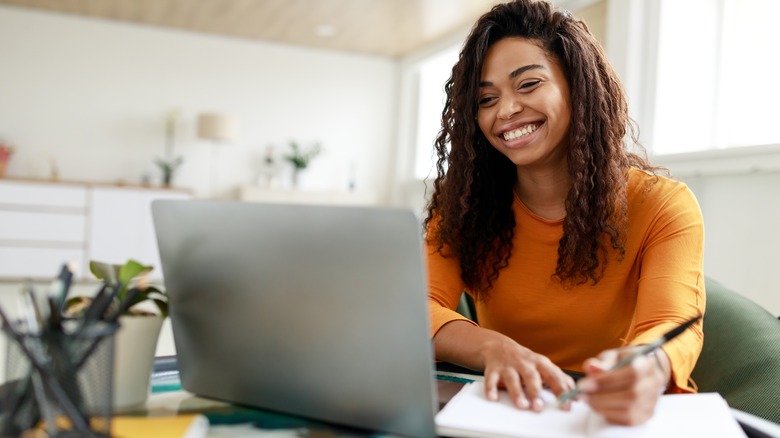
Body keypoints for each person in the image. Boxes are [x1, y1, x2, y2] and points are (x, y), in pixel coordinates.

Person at [424, 0, 705, 426]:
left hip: (605, 416)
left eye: (528, 84)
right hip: (503, 411)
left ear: (578, 85)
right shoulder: (463, 205)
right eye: (487, 98)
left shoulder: (663, 205)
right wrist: (494, 348)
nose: (506, 110)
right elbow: (418, 307)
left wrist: (647, 368)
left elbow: (672, 323)